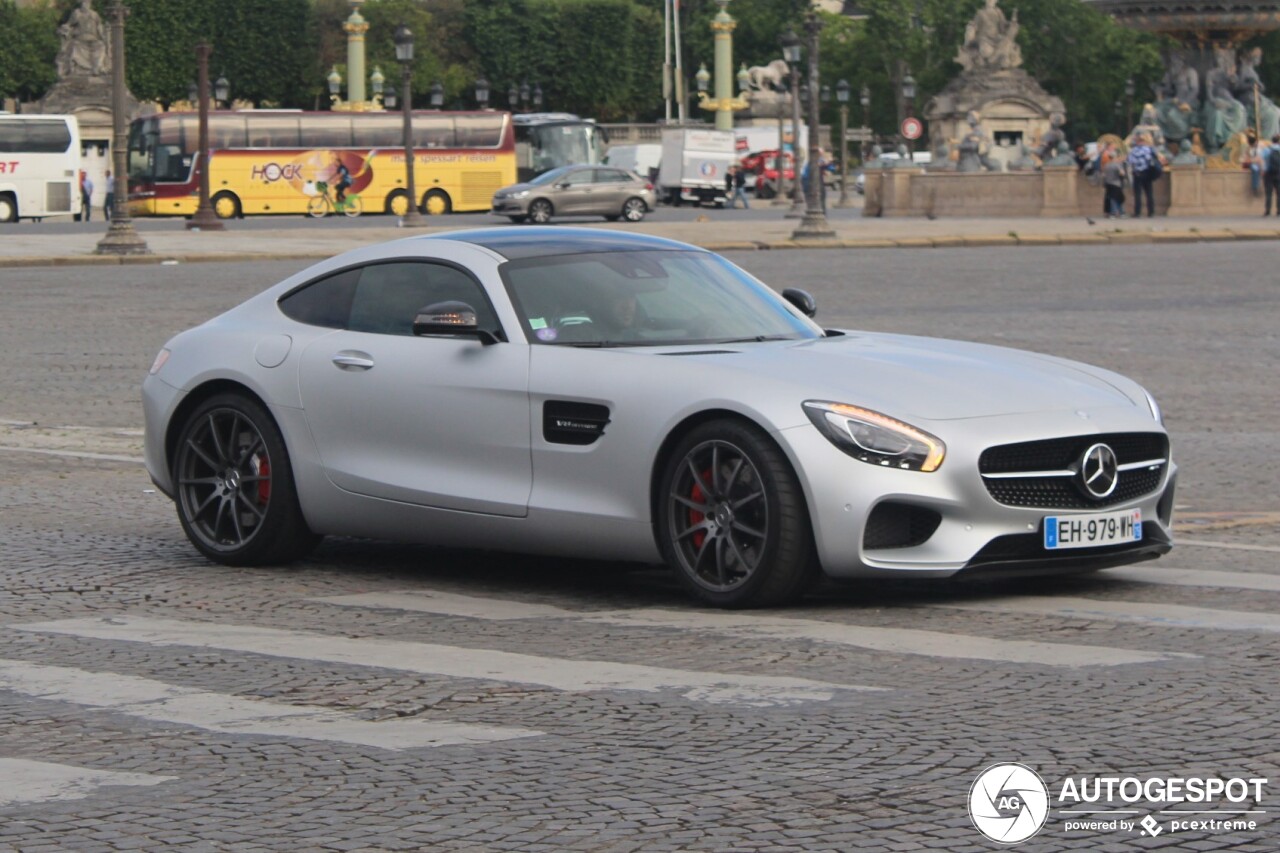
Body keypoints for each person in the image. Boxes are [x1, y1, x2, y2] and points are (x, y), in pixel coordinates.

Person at [1127, 133, 1160, 217]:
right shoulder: (1149, 149)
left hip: (1137, 173)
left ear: (1137, 141)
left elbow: (1130, 161)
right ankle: (1151, 212)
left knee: (1137, 194)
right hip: (1147, 172)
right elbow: (1153, 159)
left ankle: (1137, 212)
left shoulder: (1133, 150)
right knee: (1149, 193)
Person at [1102, 149, 1127, 219]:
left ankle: (1112, 213)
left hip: (1108, 184)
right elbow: (1122, 173)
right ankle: (1121, 213)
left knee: (1111, 199)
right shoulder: (1117, 165)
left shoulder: (1106, 165)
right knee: (1119, 199)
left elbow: (1104, 175)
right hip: (1116, 184)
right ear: (1115, 157)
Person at [1264, 134, 1280, 216]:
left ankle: (1268, 210)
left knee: (1268, 193)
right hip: (1278, 173)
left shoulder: (1267, 150)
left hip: (1268, 173)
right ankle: (1278, 210)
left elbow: (1263, 160)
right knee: (1279, 193)